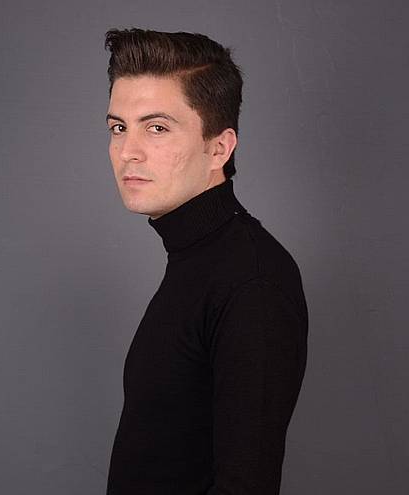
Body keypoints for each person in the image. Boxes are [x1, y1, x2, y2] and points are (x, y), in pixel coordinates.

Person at [104, 27, 308, 495]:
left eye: (157, 127)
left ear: (219, 148)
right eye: (119, 127)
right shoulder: (197, 258)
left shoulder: (252, 281)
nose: (127, 151)